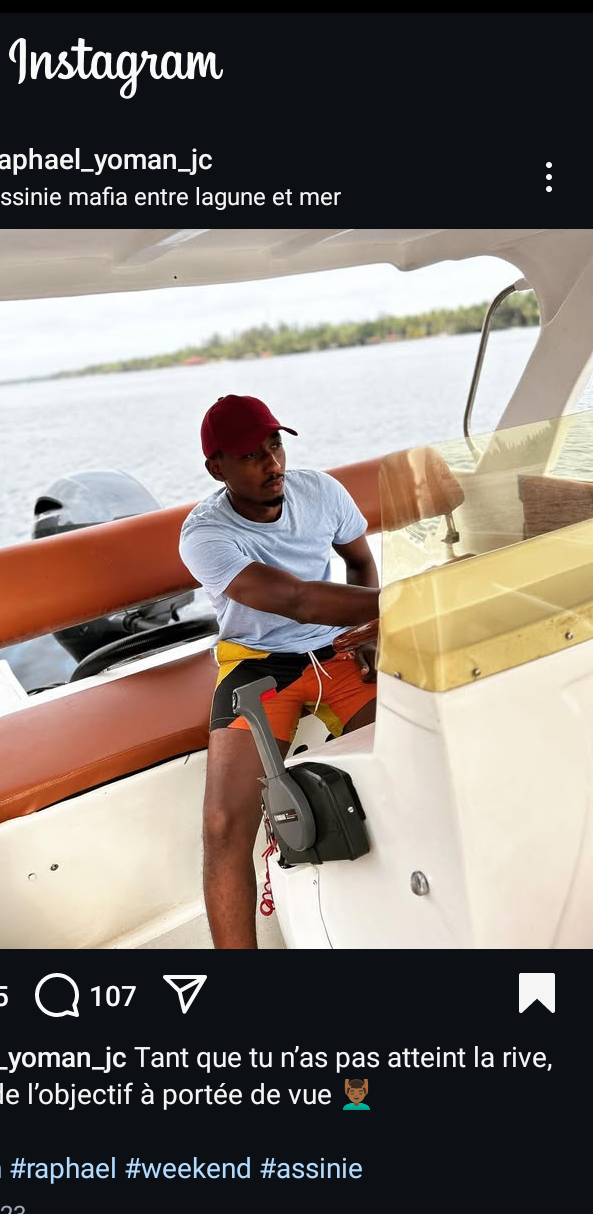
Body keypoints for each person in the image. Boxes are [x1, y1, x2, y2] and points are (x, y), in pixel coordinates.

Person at [179, 395, 380, 950]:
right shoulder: (204, 535)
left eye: (275, 445)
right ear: (216, 468)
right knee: (223, 824)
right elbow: (296, 600)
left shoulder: (321, 492)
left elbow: (360, 562)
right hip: (259, 662)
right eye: (251, 455)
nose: (272, 464)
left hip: (338, 651)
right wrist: (404, 602)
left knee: (406, 764)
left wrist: (370, 631)